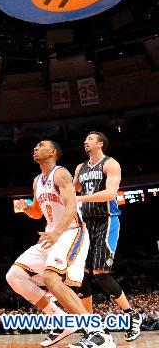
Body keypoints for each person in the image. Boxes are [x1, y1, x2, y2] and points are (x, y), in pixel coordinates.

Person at [6, 140, 115, 348]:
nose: (35, 148)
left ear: (53, 152)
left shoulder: (61, 173)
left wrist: (56, 232)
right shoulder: (37, 180)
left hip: (71, 232)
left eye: (40, 145)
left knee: (51, 277)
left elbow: (72, 207)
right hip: (51, 236)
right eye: (35, 145)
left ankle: (98, 333)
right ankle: (61, 321)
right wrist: (27, 209)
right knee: (14, 276)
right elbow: (38, 212)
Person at [73, 131, 141, 342]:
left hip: (107, 220)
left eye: (90, 139)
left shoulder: (111, 164)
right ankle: (91, 327)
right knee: (81, 276)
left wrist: (81, 197)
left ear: (100, 143)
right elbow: (73, 189)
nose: (85, 141)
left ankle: (132, 315)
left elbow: (111, 194)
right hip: (86, 224)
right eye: (85, 139)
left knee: (101, 273)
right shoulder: (79, 168)